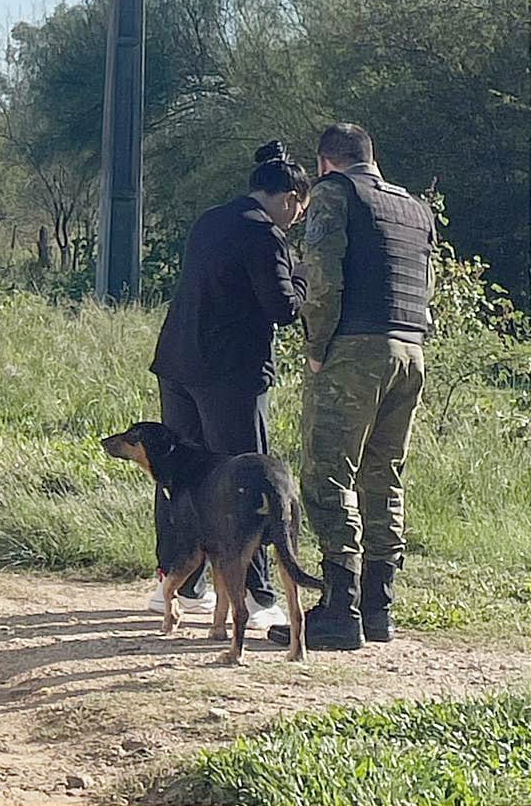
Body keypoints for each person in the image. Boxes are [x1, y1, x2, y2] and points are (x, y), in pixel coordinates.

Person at [269, 122, 434, 652]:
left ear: (324, 162)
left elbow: (322, 277)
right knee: (384, 474)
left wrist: (316, 347)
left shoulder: (335, 194)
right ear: (371, 155)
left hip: (355, 349)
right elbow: (425, 285)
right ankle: (379, 608)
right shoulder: (412, 206)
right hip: (411, 350)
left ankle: (340, 610)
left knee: (327, 473)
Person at [147, 141, 311, 628]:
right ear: (287, 197)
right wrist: (302, 274)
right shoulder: (266, 235)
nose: (297, 217)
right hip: (230, 376)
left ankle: (176, 583)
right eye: (299, 207)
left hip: (178, 364)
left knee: (183, 480)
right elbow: (282, 308)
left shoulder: (209, 220)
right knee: (246, 482)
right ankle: (259, 595)